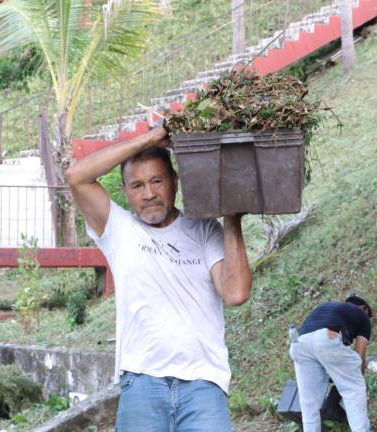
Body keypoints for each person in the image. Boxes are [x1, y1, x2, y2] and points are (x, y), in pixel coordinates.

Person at [66, 124, 252, 432]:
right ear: (124, 192)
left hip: (203, 384)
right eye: (137, 186)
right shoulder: (119, 230)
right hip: (142, 383)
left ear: (174, 182)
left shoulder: (205, 229)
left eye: (157, 181)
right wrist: (152, 137)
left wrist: (231, 215)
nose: (149, 193)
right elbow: (76, 176)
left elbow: (235, 293)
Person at [289, 295, 373, 432]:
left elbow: (316, 345)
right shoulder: (363, 317)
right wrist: (358, 376)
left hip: (298, 343)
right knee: (353, 389)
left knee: (309, 404)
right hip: (326, 338)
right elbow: (359, 355)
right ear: (364, 308)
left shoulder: (328, 308)